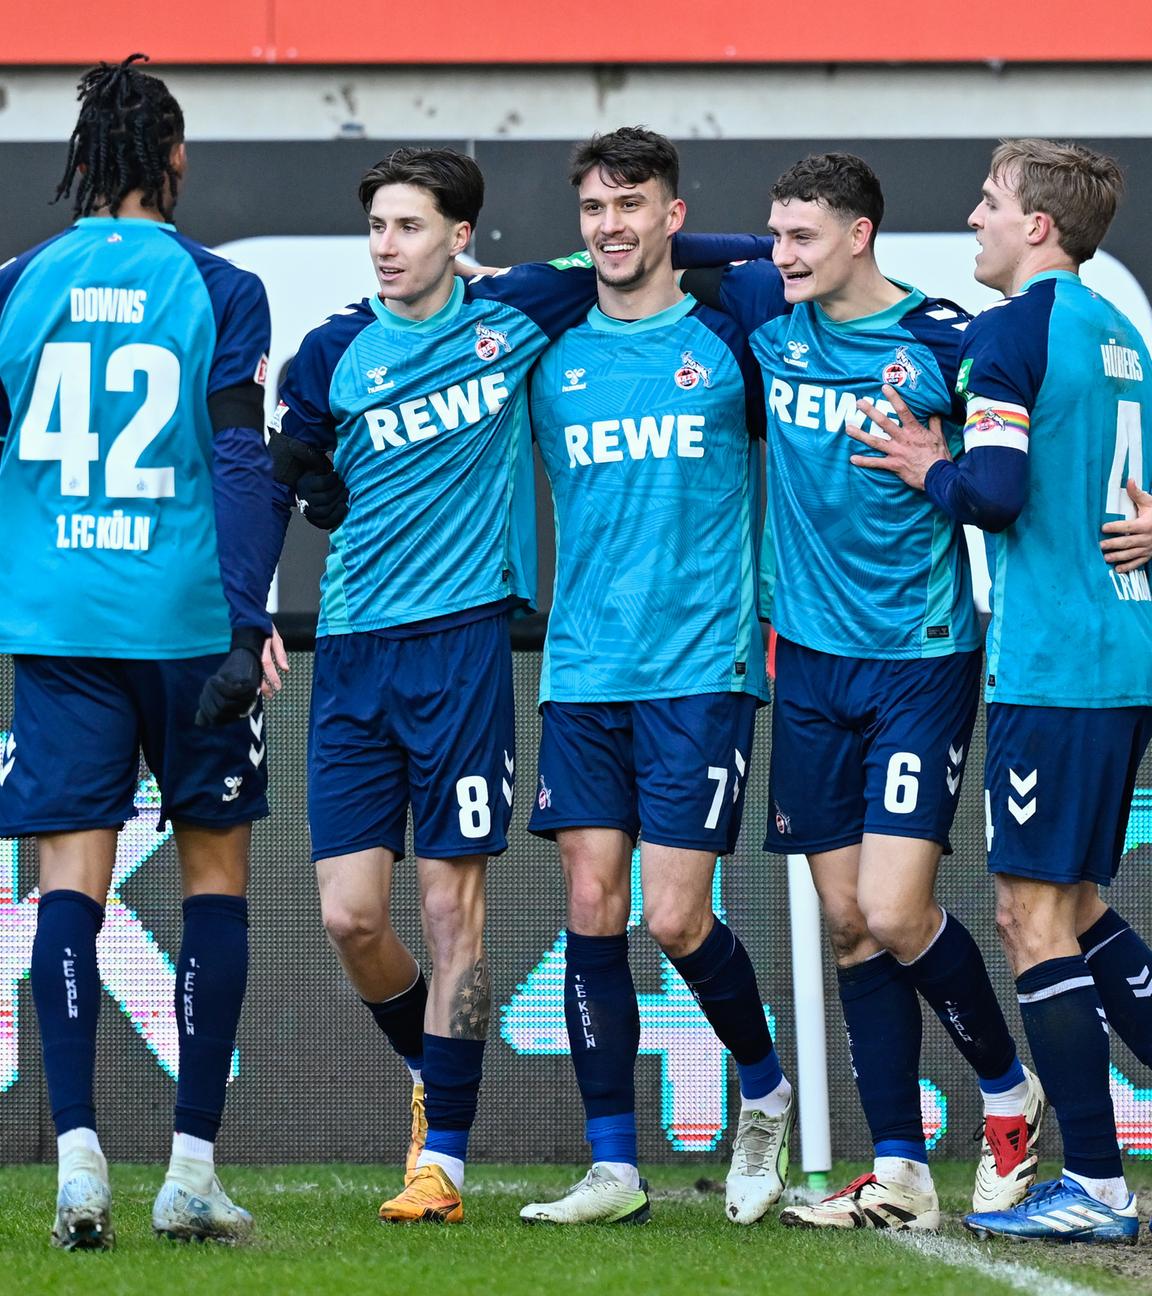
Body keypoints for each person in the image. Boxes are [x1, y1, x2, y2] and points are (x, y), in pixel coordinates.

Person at [266, 146, 616, 1225]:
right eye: (377, 225)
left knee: (449, 904)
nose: (386, 245)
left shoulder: (516, 315)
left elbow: (640, 247)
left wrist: (761, 252)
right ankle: (438, 1064)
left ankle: (444, 1162)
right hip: (354, 653)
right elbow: (297, 469)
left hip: (463, 650)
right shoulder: (331, 350)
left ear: (460, 239)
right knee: (349, 917)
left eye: (410, 226)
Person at [709, 154, 1042, 1231]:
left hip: (918, 655)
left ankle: (1007, 1095)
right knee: (850, 924)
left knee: (897, 908)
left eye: (803, 236)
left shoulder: (948, 337)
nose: (780, 254)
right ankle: (897, 1171)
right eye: (774, 233)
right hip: (804, 661)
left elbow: (1054, 435)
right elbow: (669, 255)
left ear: (861, 236)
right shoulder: (767, 302)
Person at [848, 138, 1152, 1244]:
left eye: (988, 203)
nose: (974, 220)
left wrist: (928, 464)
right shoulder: (1121, 332)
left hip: (1055, 663)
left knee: (1032, 917)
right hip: (1124, 654)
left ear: (1038, 226)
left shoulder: (1012, 331)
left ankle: (1101, 1192)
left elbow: (995, 491)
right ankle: (1102, 1184)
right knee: (1076, 909)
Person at [0, 55, 277, 1248]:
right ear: (173, 161)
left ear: (86, 164)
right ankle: (191, 1170)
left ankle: (75, 1163)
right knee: (215, 876)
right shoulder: (223, 286)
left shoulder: (14, 284)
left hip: (57, 621)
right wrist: (249, 615)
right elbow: (241, 462)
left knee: (72, 880)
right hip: (184, 623)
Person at [516, 127, 791, 1228]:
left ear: (673, 214)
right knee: (590, 903)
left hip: (700, 665)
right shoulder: (548, 343)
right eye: (592, 208)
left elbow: (783, 258)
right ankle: (614, 1168)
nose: (610, 227)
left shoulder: (734, 328)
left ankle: (763, 1092)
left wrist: (712, 249)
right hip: (582, 668)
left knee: (676, 918)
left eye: (631, 205)